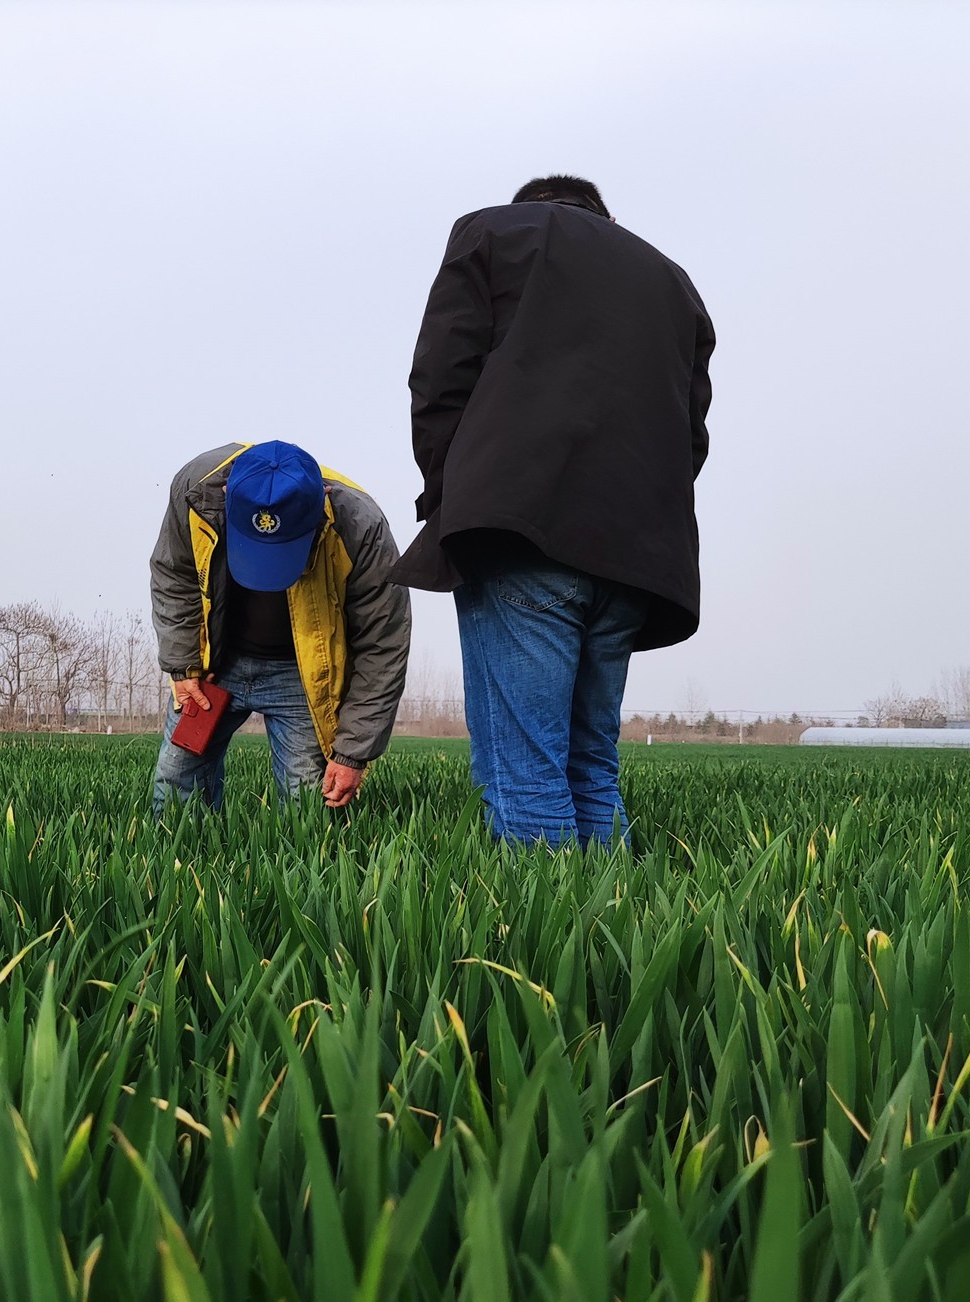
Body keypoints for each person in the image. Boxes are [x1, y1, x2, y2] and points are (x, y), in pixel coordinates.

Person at [392, 174, 714, 846]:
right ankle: (620, 943)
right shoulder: (675, 285)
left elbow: (441, 379)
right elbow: (691, 436)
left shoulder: (491, 232)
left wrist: (452, 500)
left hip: (520, 536)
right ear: (607, 217)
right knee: (592, 765)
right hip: (636, 560)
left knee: (526, 771)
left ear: (529, 207)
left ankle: (546, 951)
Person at [149, 440, 410, 813]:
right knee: (174, 783)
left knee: (307, 806)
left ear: (323, 499)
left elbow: (383, 644)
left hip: (304, 675)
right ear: (226, 495)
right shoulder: (196, 490)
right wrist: (182, 664)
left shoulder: (361, 526)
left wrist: (353, 753)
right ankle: (178, 868)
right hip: (214, 664)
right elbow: (174, 573)